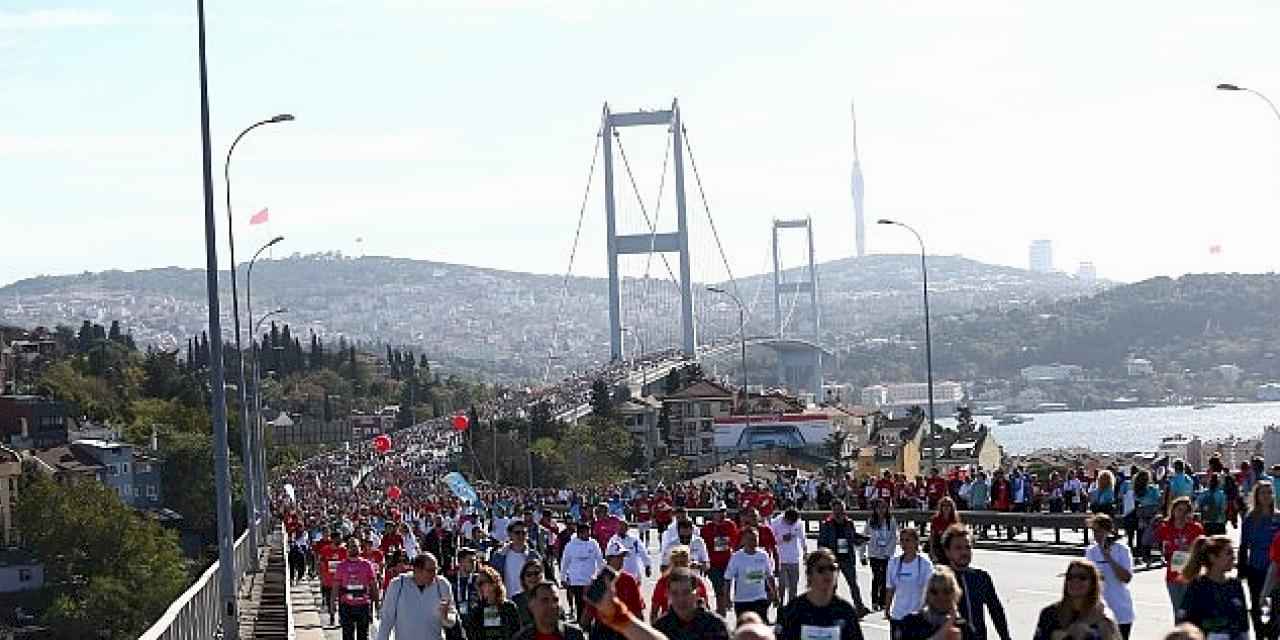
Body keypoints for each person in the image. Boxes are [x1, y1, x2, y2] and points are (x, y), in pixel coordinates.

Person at [776, 548, 865, 640]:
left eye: (832, 568)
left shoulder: (845, 611)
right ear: (809, 575)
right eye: (821, 569)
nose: (828, 573)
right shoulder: (793, 611)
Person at [940, 525, 1010, 640]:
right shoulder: (939, 580)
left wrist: (1005, 637)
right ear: (947, 552)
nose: (964, 552)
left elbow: (996, 611)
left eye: (968, 547)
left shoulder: (981, 577)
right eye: (958, 548)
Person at [1177, 535, 1249, 640]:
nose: (1233, 557)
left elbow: (1244, 624)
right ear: (1213, 557)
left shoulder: (1235, 585)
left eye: (1233, 553)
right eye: (1228, 553)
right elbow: (1184, 622)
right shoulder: (1198, 586)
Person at [1031, 560, 1121, 640]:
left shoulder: (1104, 617)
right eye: (1070, 577)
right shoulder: (1049, 614)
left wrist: (1090, 634)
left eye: (1082, 578)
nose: (1075, 581)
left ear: (1093, 584)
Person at [376, 552, 457, 640]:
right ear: (417, 570)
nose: (434, 575)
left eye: (436, 570)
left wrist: (445, 617)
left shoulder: (442, 584)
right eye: (430, 570)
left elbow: (451, 619)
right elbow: (386, 620)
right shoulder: (398, 585)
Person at [1083, 515, 1135, 640]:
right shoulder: (1091, 551)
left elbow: (1126, 578)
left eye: (1099, 530)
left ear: (1108, 531)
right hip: (1098, 613)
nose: (1096, 535)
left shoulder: (1122, 550)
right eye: (1094, 531)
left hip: (1120, 611)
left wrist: (1108, 558)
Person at [817, 499, 870, 616]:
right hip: (833, 560)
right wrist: (824, 557)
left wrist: (864, 538)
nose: (838, 512)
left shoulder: (849, 523)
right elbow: (821, 543)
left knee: (853, 584)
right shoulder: (827, 524)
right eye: (836, 509)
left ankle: (859, 607)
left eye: (841, 509)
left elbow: (853, 537)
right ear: (832, 510)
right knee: (832, 585)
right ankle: (829, 608)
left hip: (847, 558)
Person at [1155, 496, 1205, 617]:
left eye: (1185, 510)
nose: (1181, 514)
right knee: (1178, 612)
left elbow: (1202, 550)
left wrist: (1189, 550)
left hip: (1191, 574)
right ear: (1173, 510)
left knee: (1192, 611)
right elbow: (1159, 547)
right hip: (1173, 576)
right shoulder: (1165, 527)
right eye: (1179, 510)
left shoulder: (1195, 528)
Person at [653, 567, 730, 640]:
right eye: (674, 593)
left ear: (697, 593)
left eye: (686, 592)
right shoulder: (660, 628)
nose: (681, 599)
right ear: (668, 594)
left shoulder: (715, 626)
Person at [893, 566, 965, 640]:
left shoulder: (962, 627)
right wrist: (946, 627)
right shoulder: (910, 623)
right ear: (926, 593)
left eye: (946, 591)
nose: (941, 597)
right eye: (934, 591)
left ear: (955, 594)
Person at [725, 526, 778, 623]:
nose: (754, 541)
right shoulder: (736, 557)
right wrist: (727, 598)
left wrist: (775, 594)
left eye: (756, 538)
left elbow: (769, 576)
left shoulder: (763, 555)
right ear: (744, 540)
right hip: (742, 600)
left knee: (759, 629)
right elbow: (728, 579)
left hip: (760, 599)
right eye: (750, 539)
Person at [886, 527, 934, 631]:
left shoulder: (925, 563)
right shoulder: (894, 562)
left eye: (908, 540)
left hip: (918, 617)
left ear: (916, 542)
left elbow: (930, 590)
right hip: (898, 616)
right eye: (902, 540)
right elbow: (890, 588)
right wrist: (887, 609)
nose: (904, 544)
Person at [334, 536, 380, 640]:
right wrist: (333, 604)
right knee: (347, 635)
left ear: (360, 548)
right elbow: (336, 586)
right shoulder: (341, 565)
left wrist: (377, 604)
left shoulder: (367, 564)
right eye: (351, 546)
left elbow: (374, 585)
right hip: (346, 605)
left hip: (363, 605)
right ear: (347, 549)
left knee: (363, 635)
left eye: (356, 546)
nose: (353, 548)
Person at [650, 546, 709, 622]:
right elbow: (654, 609)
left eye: (683, 563)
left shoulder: (696, 581)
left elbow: (705, 606)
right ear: (671, 564)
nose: (679, 566)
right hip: (669, 625)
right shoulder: (663, 582)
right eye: (676, 563)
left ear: (688, 563)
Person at [512, 581, 588, 640]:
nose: (552, 605)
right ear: (531, 606)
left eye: (555, 600)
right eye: (545, 600)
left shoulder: (574, 635)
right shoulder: (521, 638)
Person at [561, 521, 604, 624]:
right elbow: (565, 562)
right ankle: (581, 626)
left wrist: (601, 575)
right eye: (585, 532)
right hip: (576, 580)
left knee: (590, 604)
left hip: (590, 580)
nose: (588, 534)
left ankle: (589, 625)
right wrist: (563, 578)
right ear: (579, 533)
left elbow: (600, 560)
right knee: (580, 604)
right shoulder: (570, 545)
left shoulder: (593, 544)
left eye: (589, 532)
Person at [464, 564, 522, 640]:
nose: (479, 587)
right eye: (477, 584)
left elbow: (517, 633)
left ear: (493, 584)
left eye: (482, 583)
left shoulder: (509, 607)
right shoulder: (476, 611)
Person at [702, 506, 740, 616]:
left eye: (723, 512)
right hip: (713, 564)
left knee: (724, 589)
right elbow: (703, 547)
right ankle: (722, 614)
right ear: (713, 514)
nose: (721, 515)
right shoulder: (707, 528)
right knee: (719, 589)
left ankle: (721, 611)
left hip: (728, 563)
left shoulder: (730, 525)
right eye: (718, 512)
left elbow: (735, 542)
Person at [490, 520, 541, 599]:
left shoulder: (534, 556)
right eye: (517, 533)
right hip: (506, 601)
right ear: (510, 534)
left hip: (529, 601)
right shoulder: (499, 555)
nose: (521, 535)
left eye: (523, 533)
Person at [865, 498, 898, 611]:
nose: (881, 510)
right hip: (874, 553)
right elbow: (865, 536)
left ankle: (883, 601)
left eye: (883, 507)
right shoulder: (871, 521)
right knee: (876, 577)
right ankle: (874, 601)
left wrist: (889, 552)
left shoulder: (891, 521)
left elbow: (894, 537)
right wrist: (862, 554)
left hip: (886, 554)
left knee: (884, 578)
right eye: (879, 508)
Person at [770, 508, 807, 606]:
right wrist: (782, 539)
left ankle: (791, 609)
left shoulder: (798, 523)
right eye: (790, 522)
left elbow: (802, 538)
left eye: (793, 523)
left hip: (794, 559)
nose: (792, 524)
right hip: (781, 559)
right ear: (785, 518)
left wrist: (805, 552)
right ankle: (780, 608)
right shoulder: (775, 522)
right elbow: (771, 540)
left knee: (793, 587)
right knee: (781, 586)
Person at [509, 558, 545, 629]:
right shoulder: (516, 601)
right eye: (529, 575)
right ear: (523, 579)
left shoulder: (551, 597)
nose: (533, 577)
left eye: (536, 573)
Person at [929, 498, 961, 563]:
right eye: (944, 505)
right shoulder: (936, 519)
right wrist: (932, 552)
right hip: (938, 548)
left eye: (948, 506)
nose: (946, 508)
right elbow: (932, 537)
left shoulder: (955, 520)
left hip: (951, 548)